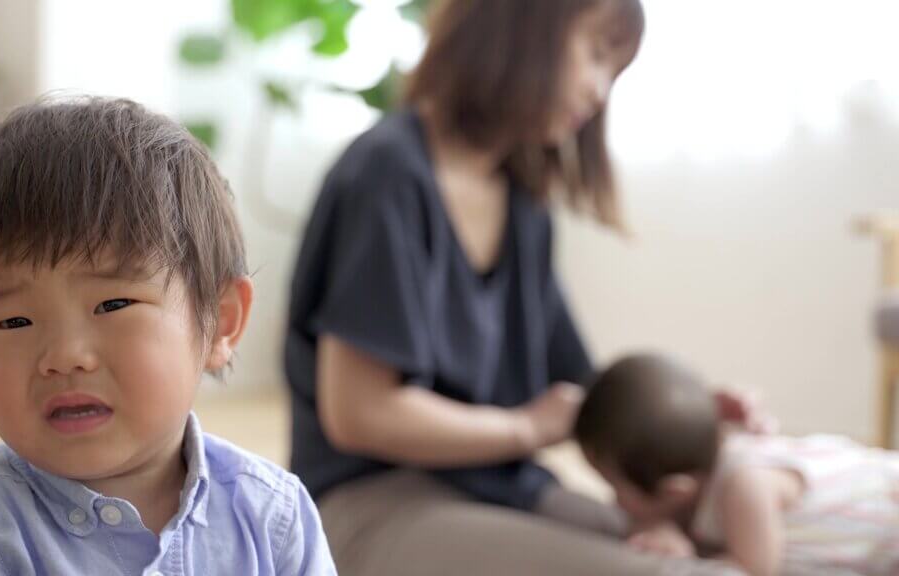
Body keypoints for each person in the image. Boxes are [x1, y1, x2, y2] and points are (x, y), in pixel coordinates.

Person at [285, 0, 754, 573]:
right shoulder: (388, 176)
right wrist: (525, 427)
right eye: (597, 55)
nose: (601, 91)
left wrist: (689, 420)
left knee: (700, 538)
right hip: (370, 504)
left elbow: (582, 392)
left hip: (501, 488)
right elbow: (359, 413)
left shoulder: (523, 200)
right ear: (520, 26)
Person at [0, 97, 336, 575]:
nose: (64, 357)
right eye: (13, 322)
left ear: (221, 320)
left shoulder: (274, 518)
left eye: (112, 305)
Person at [575, 353, 899, 576]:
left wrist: (688, 559)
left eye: (615, 487)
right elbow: (647, 521)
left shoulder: (744, 487)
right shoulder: (699, 463)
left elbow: (755, 569)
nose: (614, 502)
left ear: (675, 490)